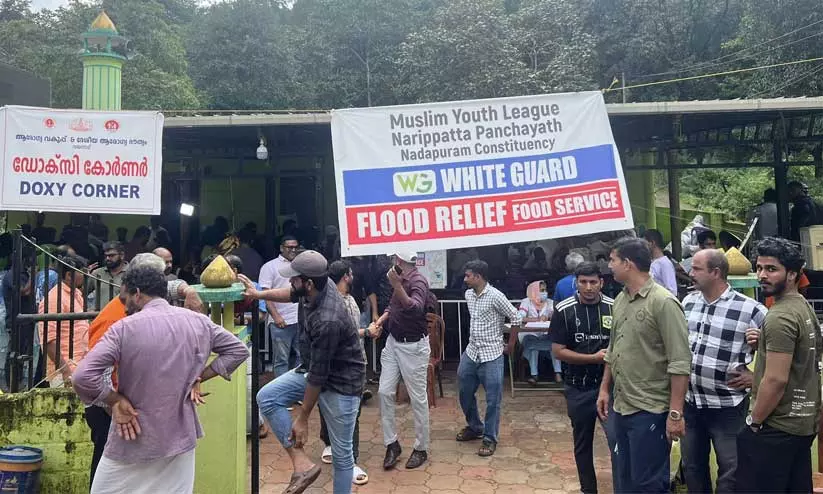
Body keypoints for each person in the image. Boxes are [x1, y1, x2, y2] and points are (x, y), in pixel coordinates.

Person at [72, 265, 248, 494]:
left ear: (137, 293)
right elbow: (238, 350)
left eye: (125, 299)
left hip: (132, 434)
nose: (124, 307)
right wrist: (198, 376)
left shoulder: (123, 328)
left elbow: (82, 376)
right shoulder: (197, 322)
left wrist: (114, 399)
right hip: (179, 434)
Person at [241, 250, 366, 494]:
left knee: (342, 455)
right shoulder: (315, 287)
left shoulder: (328, 319)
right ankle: (302, 464)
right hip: (313, 370)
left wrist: (303, 417)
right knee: (267, 397)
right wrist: (259, 294)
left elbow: (319, 375)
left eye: (294, 278)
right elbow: (290, 294)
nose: (290, 281)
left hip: (342, 383)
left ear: (308, 283)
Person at [596, 237, 691, 492]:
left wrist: (675, 414)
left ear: (628, 264)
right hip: (622, 405)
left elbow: (680, 362)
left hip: (651, 409)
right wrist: (604, 389)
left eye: (613, 260)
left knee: (648, 483)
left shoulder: (663, 302)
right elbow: (613, 349)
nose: (609, 266)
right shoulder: (621, 299)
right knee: (624, 479)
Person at [735, 237, 822, 492]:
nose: (762, 275)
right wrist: (764, 343)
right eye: (759, 268)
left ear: (792, 274)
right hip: (802, 424)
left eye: (771, 269)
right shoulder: (802, 307)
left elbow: (776, 380)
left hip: (776, 426)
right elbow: (804, 355)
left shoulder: (780, 316)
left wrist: (753, 422)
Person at [680, 249, 766, 494]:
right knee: (692, 466)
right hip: (691, 402)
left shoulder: (751, 310)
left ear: (715, 272)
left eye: (697, 268)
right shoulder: (688, 303)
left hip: (728, 406)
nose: (690, 273)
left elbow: (781, 349)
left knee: (731, 470)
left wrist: (756, 377)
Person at [551, 261, 617, 494]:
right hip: (577, 387)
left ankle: (622, 487)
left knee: (616, 441)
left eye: (593, 282)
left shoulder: (614, 308)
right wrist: (592, 358)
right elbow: (558, 351)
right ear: (576, 283)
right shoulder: (564, 310)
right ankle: (588, 489)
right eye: (583, 282)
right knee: (582, 444)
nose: (588, 287)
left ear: (602, 283)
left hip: (610, 388)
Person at [370, 251, 431, 470]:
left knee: (418, 399)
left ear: (399, 261)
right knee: (384, 392)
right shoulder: (400, 278)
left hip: (413, 347)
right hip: (393, 343)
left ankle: (421, 448)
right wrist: (381, 320)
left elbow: (415, 308)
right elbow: (392, 306)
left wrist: (396, 285)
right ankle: (391, 444)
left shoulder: (418, 281)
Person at [456, 260, 521, 457]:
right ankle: (475, 426)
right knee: (464, 391)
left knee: (493, 400)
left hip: (492, 354)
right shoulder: (468, 295)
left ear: (478, 276)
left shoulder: (495, 296)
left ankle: (490, 438)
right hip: (472, 351)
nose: (465, 279)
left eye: (468, 276)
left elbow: (516, 317)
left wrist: (511, 345)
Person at [318, 260, 371, 485]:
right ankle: (350, 459)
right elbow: (346, 333)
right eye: (350, 273)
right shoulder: (339, 302)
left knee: (329, 405)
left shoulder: (332, 299)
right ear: (346, 276)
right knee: (351, 413)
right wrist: (367, 331)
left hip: (335, 363)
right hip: (348, 364)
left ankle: (331, 444)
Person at [39, 252, 90, 386]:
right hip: (65, 370)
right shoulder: (54, 299)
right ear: (69, 275)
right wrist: (65, 370)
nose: (85, 275)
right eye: (82, 272)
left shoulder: (76, 294)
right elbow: (48, 339)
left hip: (80, 365)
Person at [258, 236, 301, 377]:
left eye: (295, 247)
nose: (293, 250)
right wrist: (276, 316)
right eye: (289, 247)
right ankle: (282, 389)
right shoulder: (269, 267)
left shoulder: (300, 265)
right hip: (281, 322)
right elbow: (266, 294)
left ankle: (298, 388)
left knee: (302, 357)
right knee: (281, 360)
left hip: (300, 320)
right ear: (282, 248)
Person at [517, 280, 559, 385]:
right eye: (541, 290)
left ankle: (557, 373)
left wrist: (550, 316)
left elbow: (555, 316)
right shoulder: (526, 301)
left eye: (545, 290)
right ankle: (535, 374)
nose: (544, 293)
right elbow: (520, 318)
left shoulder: (549, 302)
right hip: (528, 332)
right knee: (532, 341)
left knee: (554, 342)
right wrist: (536, 319)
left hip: (544, 333)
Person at [90, 242, 128, 309]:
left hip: (124, 314)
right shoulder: (97, 273)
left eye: (111, 255)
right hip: (101, 314)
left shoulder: (132, 272)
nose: (107, 258)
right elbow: (81, 293)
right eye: (106, 256)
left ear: (122, 255)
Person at [643, 229, 677, 296]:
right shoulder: (651, 262)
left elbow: (672, 290)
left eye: (644, 244)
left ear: (652, 243)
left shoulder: (665, 263)